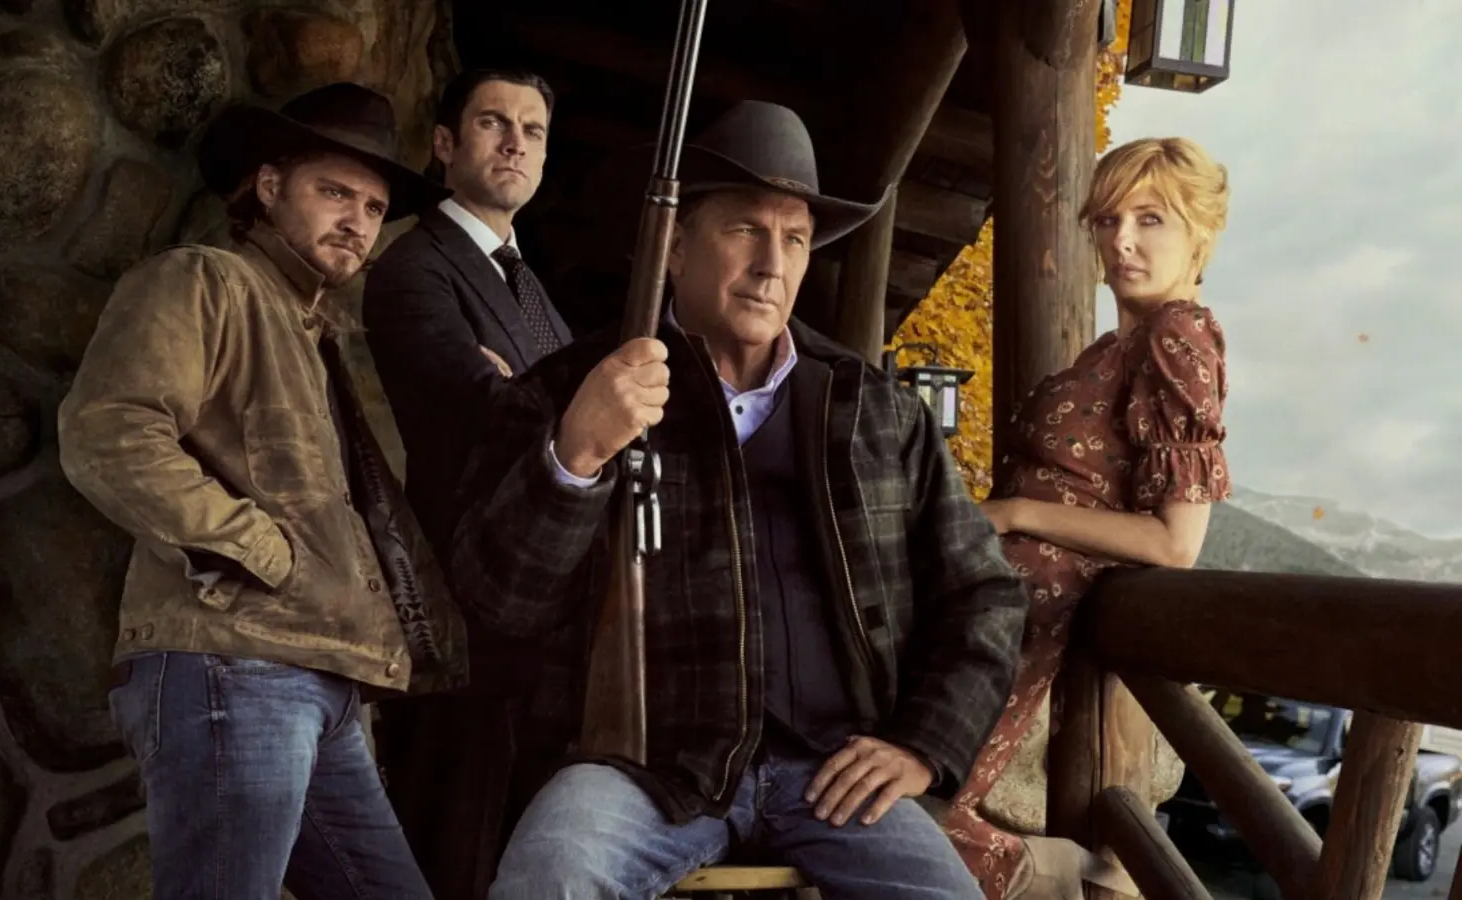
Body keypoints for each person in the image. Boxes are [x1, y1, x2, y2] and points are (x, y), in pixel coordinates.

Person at [445, 99, 1030, 900]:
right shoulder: (570, 389)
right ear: (675, 246)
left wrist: (924, 744)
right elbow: (490, 602)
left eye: (794, 239)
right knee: (550, 877)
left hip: (835, 774)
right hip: (644, 771)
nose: (773, 264)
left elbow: (985, 595)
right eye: (745, 230)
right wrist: (575, 453)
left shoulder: (877, 410)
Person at [56, 82, 462, 900]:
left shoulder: (314, 331)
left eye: (375, 207)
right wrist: (260, 553)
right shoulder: (206, 279)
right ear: (270, 187)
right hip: (232, 663)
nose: (357, 220)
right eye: (335, 192)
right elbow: (111, 429)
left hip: (317, 675)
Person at [940, 136, 1233, 899]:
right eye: (1107, 220)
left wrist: (1013, 511)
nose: (1122, 241)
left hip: (1027, 618)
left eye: (1150, 219)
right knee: (866, 780)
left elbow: (1176, 543)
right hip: (990, 604)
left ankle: (1070, 879)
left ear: (1200, 231)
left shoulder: (1180, 334)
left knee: (907, 802)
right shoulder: (1119, 343)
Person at [363, 68, 571, 554]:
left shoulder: (525, 278)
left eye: (532, 131)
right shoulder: (413, 267)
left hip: (545, 550)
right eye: (493, 123)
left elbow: (552, 396)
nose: (515, 144)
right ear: (444, 143)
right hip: (471, 554)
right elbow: (493, 415)